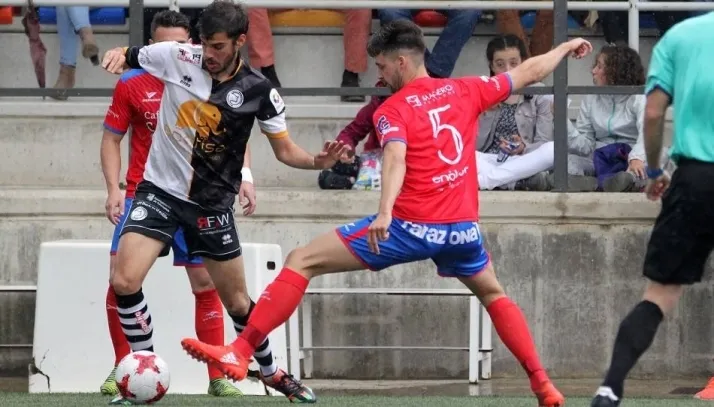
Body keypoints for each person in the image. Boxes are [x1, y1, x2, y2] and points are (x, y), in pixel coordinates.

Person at [180, 19, 593, 407]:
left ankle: (240, 350)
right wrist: (565, 47)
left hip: (408, 228)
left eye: (381, 66)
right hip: (462, 231)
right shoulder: (467, 89)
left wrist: (384, 212)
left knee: (301, 260)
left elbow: (395, 155)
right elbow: (528, 72)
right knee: (494, 294)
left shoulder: (393, 109)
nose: (380, 75)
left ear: (402, 62)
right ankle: (542, 383)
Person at [99, 0, 347, 403]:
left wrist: (318, 162)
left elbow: (285, 151)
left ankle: (273, 372)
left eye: (217, 47)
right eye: (204, 44)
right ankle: (143, 367)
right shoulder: (176, 56)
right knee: (124, 281)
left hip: (211, 206)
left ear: (240, 41)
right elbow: (131, 54)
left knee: (237, 303)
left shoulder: (260, 91)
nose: (208, 55)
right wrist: (115, 53)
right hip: (159, 192)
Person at [98, 10, 249, 400]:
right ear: (151, 46)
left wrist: (246, 176)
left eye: (182, 44)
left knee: (205, 283)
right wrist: (113, 189)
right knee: (121, 278)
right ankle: (125, 366)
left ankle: (217, 377)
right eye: (166, 44)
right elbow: (111, 138)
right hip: (144, 192)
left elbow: (233, 133)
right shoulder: (131, 83)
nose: (175, 51)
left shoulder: (210, 77)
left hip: (197, 197)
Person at [590, 12, 714, 407]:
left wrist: (657, 171)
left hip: (695, 179)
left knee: (659, 295)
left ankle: (610, 388)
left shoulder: (679, 36)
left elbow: (655, 112)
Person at [476, 34, 596, 192]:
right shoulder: (482, 91)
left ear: (524, 63)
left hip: (524, 161)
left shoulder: (541, 93)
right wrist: (485, 113)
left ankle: (489, 181)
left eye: (514, 63)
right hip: (489, 160)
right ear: (491, 66)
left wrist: (523, 148)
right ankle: (511, 181)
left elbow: (543, 142)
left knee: (552, 149)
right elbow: (475, 146)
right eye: (500, 65)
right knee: (469, 157)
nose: (508, 71)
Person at [568, 44, 653, 192]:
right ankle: (603, 183)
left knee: (660, 160)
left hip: (631, 156)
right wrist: (563, 122)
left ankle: (616, 182)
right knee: (567, 161)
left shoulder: (639, 97)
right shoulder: (591, 97)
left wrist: (637, 157)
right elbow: (585, 145)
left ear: (616, 71)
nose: (593, 71)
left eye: (599, 67)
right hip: (600, 159)